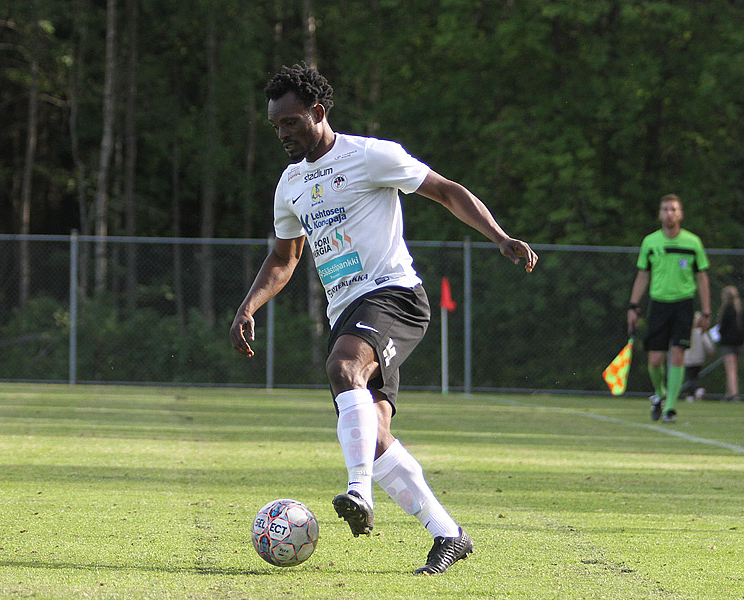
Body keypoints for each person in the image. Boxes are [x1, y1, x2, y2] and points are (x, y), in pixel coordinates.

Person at [229, 64, 537, 576]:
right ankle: (448, 534)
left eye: (290, 122)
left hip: (395, 296)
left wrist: (500, 237)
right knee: (371, 433)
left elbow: (447, 190)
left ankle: (358, 491)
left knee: (342, 367)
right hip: (347, 310)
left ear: (318, 113)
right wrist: (248, 305)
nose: (282, 134)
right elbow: (285, 258)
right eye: (275, 127)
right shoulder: (290, 185)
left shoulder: (372, 156)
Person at [627, 194, 711, 423]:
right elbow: (642, 275)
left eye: (673, 209)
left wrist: (706, 311)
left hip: (683, 304)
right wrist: (633, 306)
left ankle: (671, 408)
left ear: (680, 214)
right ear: (660, 214)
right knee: (655, 361)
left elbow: (702, 277)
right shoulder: (650, 242)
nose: (669, 213)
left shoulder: (692, 242)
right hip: (659, 304)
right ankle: (661, 394)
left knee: (677, 355)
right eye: (665, 209)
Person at [681, 311, 714, 402]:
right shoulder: (701, 332)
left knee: (690, 378)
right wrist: (711, 353)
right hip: (699, 359)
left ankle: (696, 391)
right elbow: (708, 345)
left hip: (688, 359)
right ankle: (691, 395)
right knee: (694, 377)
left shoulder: (687, 333)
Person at [718, 286, 744, 402]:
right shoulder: (739, 310)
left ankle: (734, 394)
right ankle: (728, 394)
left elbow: (722, 329)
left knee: (730, 370)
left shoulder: (726, 311)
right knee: (734, 369)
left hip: (727, 344)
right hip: (739, 343)